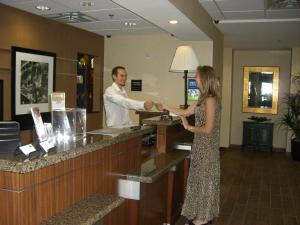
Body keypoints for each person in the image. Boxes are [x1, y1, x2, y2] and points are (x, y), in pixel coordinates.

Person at [156, 66, 221, 225]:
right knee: (198, 182)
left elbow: (208, 129)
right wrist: (164, 105)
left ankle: (202, 219)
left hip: (207, 149)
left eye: (197, 76)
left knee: (204, 182)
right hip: (200, 147)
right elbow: (184, 112)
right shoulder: (202, 98)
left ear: (205, 78)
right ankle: (201, 217)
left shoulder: (211, 99)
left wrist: (189, 128)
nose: (195, 79)